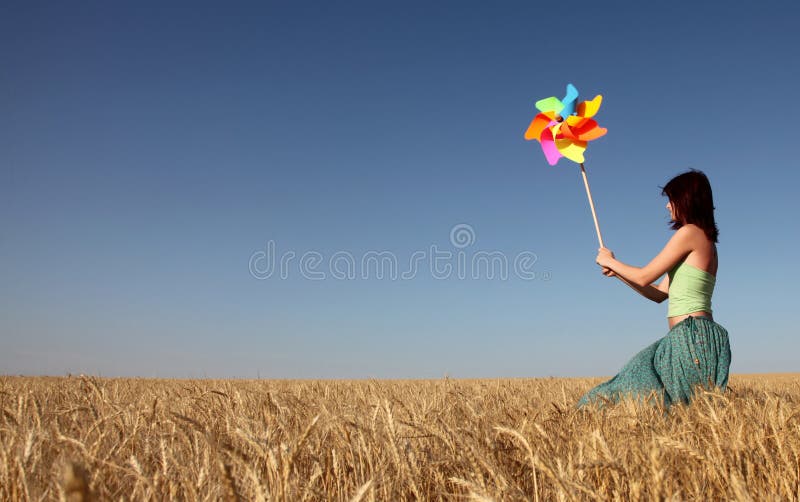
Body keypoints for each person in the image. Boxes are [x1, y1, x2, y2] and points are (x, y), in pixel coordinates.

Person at [577, 169, 731, 409]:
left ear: (686, 199)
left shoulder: (689, 233)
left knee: (626, 389)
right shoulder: (706, 241)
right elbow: (659, 293)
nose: (668, 207)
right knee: (671, 405)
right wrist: (617, 272)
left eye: (671, 199)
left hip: (690, 338)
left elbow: (644, 275)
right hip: (699, 337)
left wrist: (610, 261)